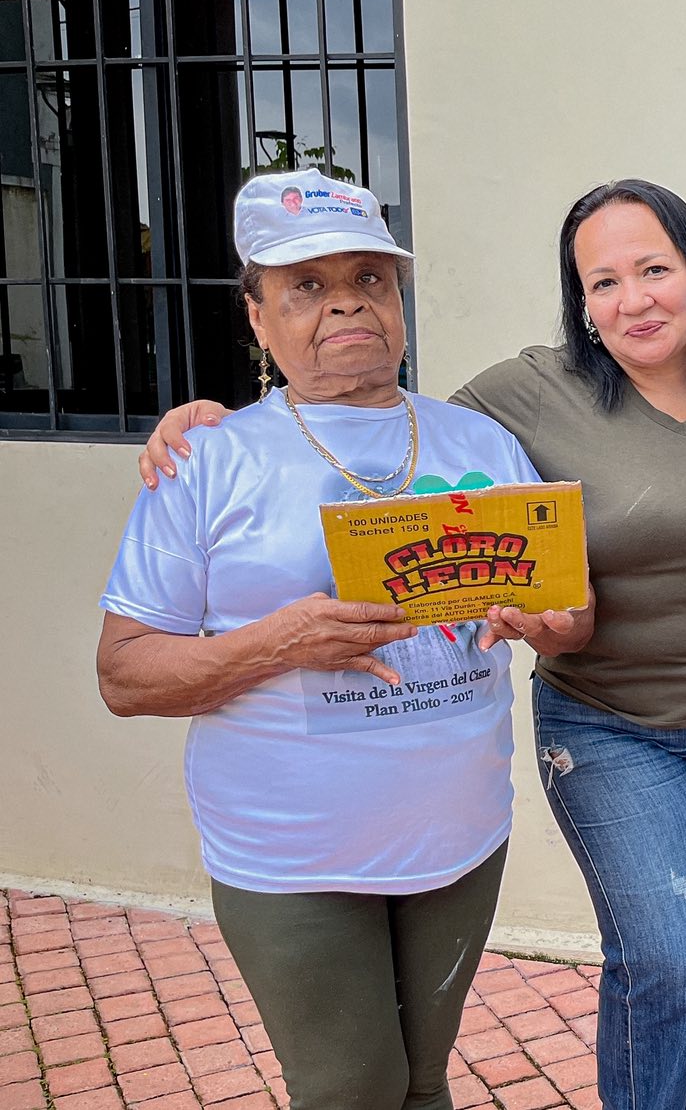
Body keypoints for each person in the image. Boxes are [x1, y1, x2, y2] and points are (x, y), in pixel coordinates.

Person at [139, 179, 686, 1110]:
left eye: (655, 269)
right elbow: (362, 412)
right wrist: (205, 422)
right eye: (603, 281)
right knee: (668, 958)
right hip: (606, 726)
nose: (634, 298)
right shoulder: (519, 398)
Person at [99, 168, 550, 1109]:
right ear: (257, 318)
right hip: (292, 853)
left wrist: (549, 622)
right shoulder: (205, 460)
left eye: (369, 278)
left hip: (459, 835)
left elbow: (562, 617)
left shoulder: (481, 444)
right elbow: (125, 674)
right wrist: (279, 643)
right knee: (350, 1089)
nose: (346, 301)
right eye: (306, 284)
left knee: (423, 1085)